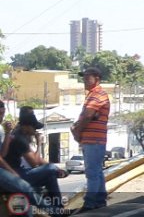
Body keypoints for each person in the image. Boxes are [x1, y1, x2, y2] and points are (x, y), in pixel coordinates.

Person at [1, 106, 68, 216]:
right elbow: (35, 163)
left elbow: (39, 160)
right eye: (34, 128)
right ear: (27, 127)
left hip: (20, 172)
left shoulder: (20, 136)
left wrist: (57, 169)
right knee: (51, 169)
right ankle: (56, 210)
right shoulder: (19, 139)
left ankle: (58, 209)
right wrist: (39, 144)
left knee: (51, 173)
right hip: (17, 174)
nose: (36, 131)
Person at [70, 67, 110, 212]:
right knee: (97, 171)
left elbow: (88, 115)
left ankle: (90, 203)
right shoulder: (93, 94)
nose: (85, 80)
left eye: (88, 77)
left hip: (94, 139)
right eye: (84, 77)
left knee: (92, 172)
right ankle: (99, 201)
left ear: (97, 79)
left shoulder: (97, 94)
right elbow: (87, 116)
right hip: (94, 139)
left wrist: (77, 131)